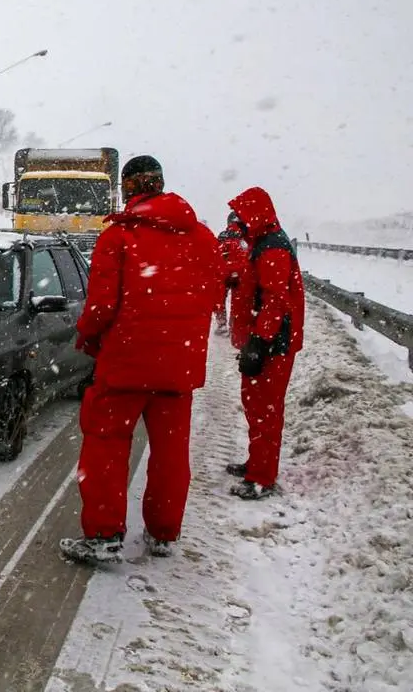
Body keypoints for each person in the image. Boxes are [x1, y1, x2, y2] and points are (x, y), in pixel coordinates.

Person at [59, 155, 224, 563]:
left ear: (128, 189)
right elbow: (213, 296)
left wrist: (88, 337)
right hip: (178, 368)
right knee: (171, 452)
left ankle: (104, 535)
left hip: (126, 364)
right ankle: (163, 532)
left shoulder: (119, 238)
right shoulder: (203, 238)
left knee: (106, 447)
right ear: (162, 184)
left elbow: (100, 307)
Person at [224, 186, 305, 500]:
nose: (239, 222)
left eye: (243, 215)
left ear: (256, 214)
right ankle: (257, 464)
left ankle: (262, 477)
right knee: (256, 405)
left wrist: (259, 343)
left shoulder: (271, 247)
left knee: (265, 410)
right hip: (267, 341)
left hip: (273, 344)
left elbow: (274, 301)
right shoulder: (263, 242)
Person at [215, 213, 250, 335]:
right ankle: (234, 325)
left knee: (220, 299)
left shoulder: (222, 236)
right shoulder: (247, 237)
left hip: (224, 273)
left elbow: (217, 253)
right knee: (238, 301)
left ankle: (222, 324)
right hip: (241, 273)